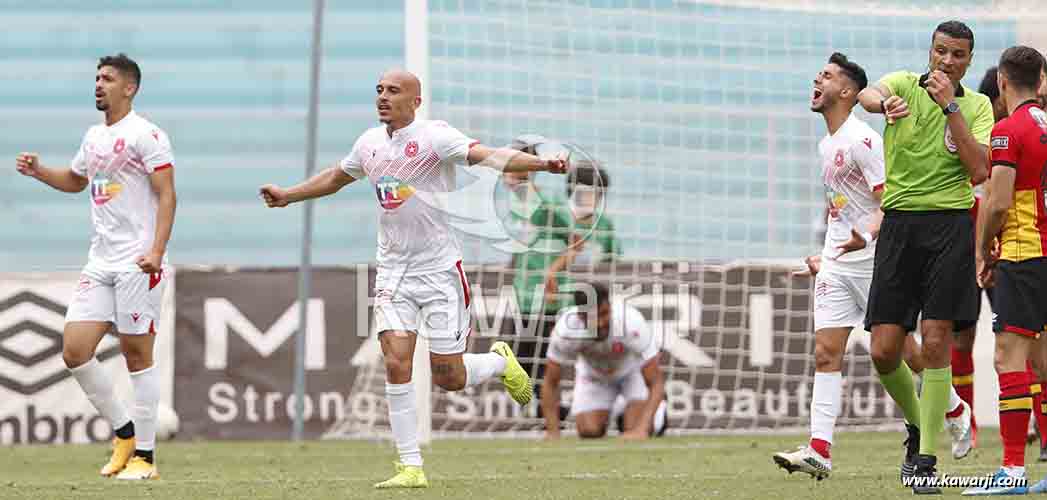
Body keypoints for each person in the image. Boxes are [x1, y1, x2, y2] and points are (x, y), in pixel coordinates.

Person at [259, 69, 567, 489]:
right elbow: (336, 177)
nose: (383, 97)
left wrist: (542, 164)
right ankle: (410, 466)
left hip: (440, 272)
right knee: (395, 361)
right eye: (379, 90)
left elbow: (490, 156)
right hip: (393, 272)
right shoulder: (368, 143)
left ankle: (499, 361)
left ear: (416, 100)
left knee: (449, 377)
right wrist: (289, 195)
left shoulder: (436, 137)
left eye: (394, 91)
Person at [773, 53, 971, 481]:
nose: (816, 80)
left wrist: (866, 235)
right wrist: (826, 256)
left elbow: (889, 202)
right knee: (826, 352)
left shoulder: (863, 141)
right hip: (838, 266)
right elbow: (840, 212)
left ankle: (953, 407)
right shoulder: (826, 144)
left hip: (875, 263)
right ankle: (820, 449)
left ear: (846, 91)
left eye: (825, 76)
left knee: (902, 353)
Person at [14, 53, 176, 480]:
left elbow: (167, 195)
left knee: (136, 354)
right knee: (75, 350)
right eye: (97, 78)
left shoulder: (148, 135)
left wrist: (156, 252)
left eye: (107, 79)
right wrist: (39, 172)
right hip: (100, 261)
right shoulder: (92, 136)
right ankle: (124, 432)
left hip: (137, 262)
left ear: (130, 88)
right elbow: (76, 181)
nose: (99, 84)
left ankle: (145, 457)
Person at [857, 20, 993, 494]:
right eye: (941, 52)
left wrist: (949, 105)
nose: (947, 61)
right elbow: (868, 96)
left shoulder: (975, 107)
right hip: (898, 228)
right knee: (883, 349)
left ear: (968, 61)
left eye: (957, 55)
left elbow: (979, 170)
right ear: (930, 51)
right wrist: (882, 103)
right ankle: (920, 426)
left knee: (936, 342)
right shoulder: (902, 86)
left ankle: (926, 457)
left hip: (950, 227)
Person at [964, 46, 1047, 495]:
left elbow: (997, 202)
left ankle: (1013, 470)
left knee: (1008, 359)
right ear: (1042, 81)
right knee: (1044, 363)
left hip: (1022, 252)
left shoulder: (1006, 131)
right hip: (1046, 253)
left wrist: (982, 251)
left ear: (1001, 83)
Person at [540, 283, 666, 440]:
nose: (600, 323)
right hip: (594, 376)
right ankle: (619, 406)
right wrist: (552, 431)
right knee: (588, 431)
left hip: (632, 373)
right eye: (593, 318)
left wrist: (642, 428)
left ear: (611, 308)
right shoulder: (565, 332)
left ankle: (654, 413)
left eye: (604, 314)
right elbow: (550, 382)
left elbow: (656, 381)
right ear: (581, 316)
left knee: (635, 428)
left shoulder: (631, 322)